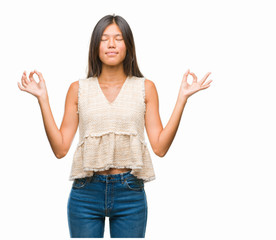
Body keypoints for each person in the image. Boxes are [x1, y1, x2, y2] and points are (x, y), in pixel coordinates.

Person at [17, 14, 212, 238]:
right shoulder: (77, 89)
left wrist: (182, 99)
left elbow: (160, 147)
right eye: (104, 38)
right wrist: (43, 99)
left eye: (118, 38)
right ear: (95, 45)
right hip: (85, 193)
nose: (111, 44)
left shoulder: (145, 88)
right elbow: (60, 148)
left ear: (128, 45)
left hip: (130, 193)